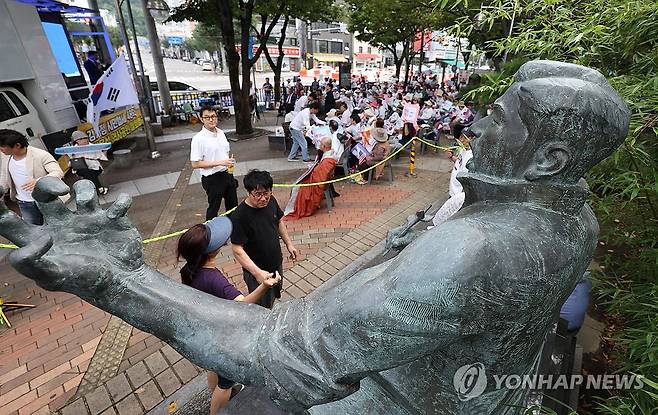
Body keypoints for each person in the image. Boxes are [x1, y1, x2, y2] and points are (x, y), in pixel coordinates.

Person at [1, 60, 631, 415]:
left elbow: (276, 349)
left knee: (259, 407)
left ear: (546, 158)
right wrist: (389, 255)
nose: (476, 122)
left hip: (413, 402)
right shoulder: (573, 219)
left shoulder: (475, 250)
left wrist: (120, 279)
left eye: (499, 117)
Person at [177, 216, 282, 413]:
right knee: (226, 381)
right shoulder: (214, 279)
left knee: (213, 367)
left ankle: (214, 391)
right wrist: (264, 286)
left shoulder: (189, 269)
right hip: (222, 334)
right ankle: (217, 408)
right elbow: (242, 304)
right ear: (211, 251)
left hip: (207, 329)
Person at [230, 170, 298, 308]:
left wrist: (289, 244)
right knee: (261, 308)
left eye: (266, 193)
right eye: (258, 194)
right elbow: (237, 249)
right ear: (248, 193)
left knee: (275, 294)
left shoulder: (271, 201)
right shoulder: (239, 216)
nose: (263, 198)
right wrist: (257, 273)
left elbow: (279, 221)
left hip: (276, 263)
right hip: (258, 272)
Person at [0, 129, 64, 225]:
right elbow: (4, 177)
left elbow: (57, 172)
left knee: (59, 226)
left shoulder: (41, 155)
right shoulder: (6, 156)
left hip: (46, 201)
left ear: (17, 145)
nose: (1, 150)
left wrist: (39, 181)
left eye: (2, 147)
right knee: (33, 231)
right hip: (24, 202)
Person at [190, 107, 237, 220]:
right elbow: (195, 164)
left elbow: (224, 152)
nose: (211, 120)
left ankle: (234, 228)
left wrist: (228, 162)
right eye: (207, 117)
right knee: (213, 208)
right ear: (202, 119)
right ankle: (210, 232)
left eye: (213, 116)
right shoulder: (198, 139)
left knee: (233, 205)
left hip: (227, 173)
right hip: (212, 178)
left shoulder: (220, 132)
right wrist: (221, 162)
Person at [283, 137, 337, 220]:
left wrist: (313, 172)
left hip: (316, 182)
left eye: (321, 144)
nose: (319, 145)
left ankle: (296, 207)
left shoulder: (328, 161)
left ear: (324, 146)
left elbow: (320, 178)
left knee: (296, 187)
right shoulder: (330, 154)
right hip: (318, 179)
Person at [69, 130, 108, 195]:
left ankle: (93, 190)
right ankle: (99, 188)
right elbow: (70, 164)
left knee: (89, 173)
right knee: (86, 171)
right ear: (76, 141)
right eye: (81, 139)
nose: (85, 140)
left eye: (86, 138)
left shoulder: (93, 146)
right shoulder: (72, 149)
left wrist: (105, 150)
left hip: (95, 168)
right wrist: (72, 156)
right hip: (81, 169)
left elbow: (103, 158)